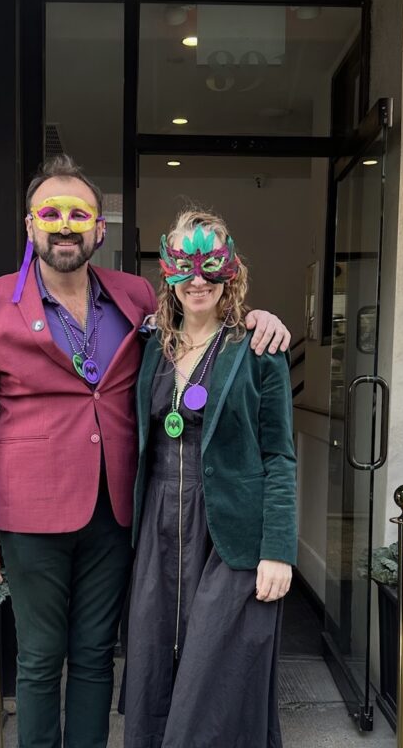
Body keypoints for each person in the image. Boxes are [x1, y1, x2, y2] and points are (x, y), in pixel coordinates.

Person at [0, 155, 290, 748]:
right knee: (42, 659)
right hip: (30, 516)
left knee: (100, 656)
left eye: (80, 214)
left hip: (119, 514)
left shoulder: (133, 300)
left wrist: (257, 317)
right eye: (51, 213)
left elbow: (204, 317)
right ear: (31, 226)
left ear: (101, 229)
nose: (65, 225)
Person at [123, 210, 297, 748]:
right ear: (168, 272)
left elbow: (280, 457)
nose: (198, 279)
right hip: (158, 522)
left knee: (213, 676)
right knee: (152, 669)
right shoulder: (148, 345)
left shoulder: (259, 349)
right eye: (184, 264)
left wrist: (279, 549)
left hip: (229, 529)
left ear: (232, 270)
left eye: (211, 265)